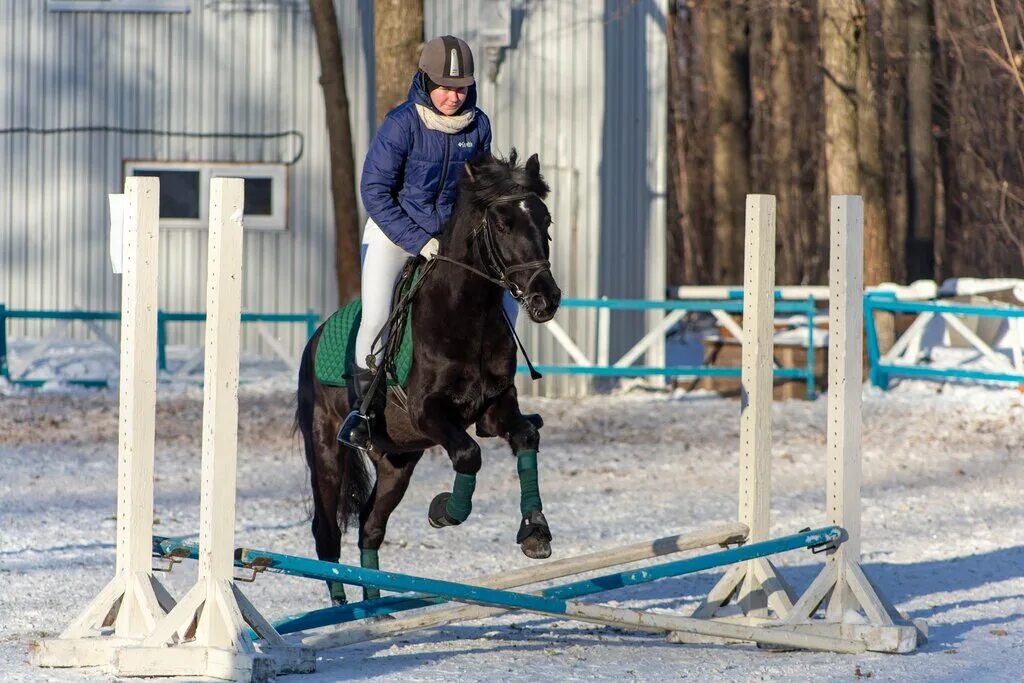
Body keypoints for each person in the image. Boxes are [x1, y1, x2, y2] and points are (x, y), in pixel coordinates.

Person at [340, 35, 517, 447]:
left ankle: (498, 398)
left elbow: (481, 190)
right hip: (394, 233)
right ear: (425, 80)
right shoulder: (401, 124)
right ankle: (363, 412)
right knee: (377, 316)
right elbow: (375, 191)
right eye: (444, 87)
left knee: (504, 299)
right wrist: (418, 240)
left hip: (451, 241)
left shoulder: (479, 125)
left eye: (460, 88)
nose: (453, 97)